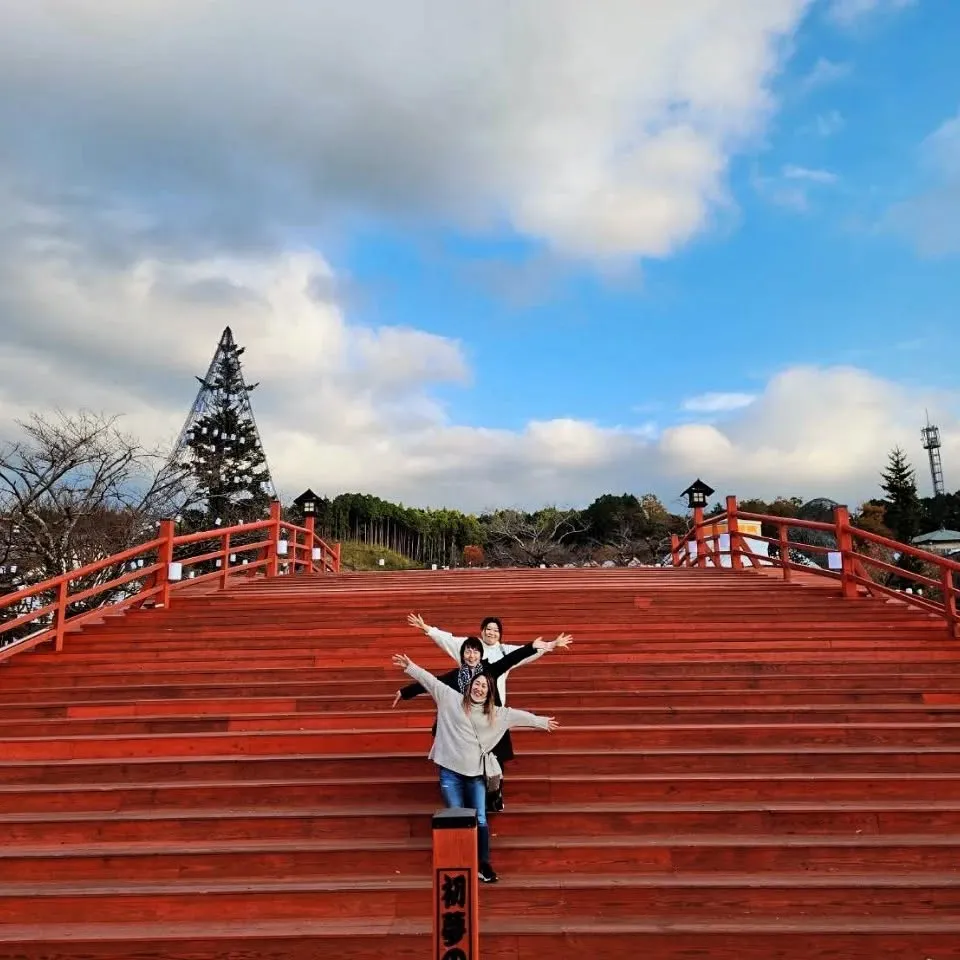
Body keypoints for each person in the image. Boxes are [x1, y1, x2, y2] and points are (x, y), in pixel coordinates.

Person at [392, 652, 559, 884]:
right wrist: (411, 665)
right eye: (477, 684)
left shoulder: (496, 714)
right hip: (450, 772)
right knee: (456, 816)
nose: (480, 688)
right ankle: (459, 862)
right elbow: (431, 681)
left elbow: (518, 716)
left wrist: (541, 722)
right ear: (470, 685)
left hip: (475, 775)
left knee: (480, 819)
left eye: (484, 686)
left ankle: (483, 864)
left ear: (490, 691)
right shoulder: (451, 699)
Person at [405, 614, 571, 810]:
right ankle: (463, 794)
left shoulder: (498, 657)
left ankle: (493, 794)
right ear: (481, 632)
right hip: (464, 715)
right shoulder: (465, 653)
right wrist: (427, 628)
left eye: (495, 630)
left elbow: (516, 657)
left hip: (491, 713)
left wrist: (547, 645)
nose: (491, 632)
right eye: (488, 629)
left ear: (500, 634)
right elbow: (437, 673)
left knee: (493, 756)